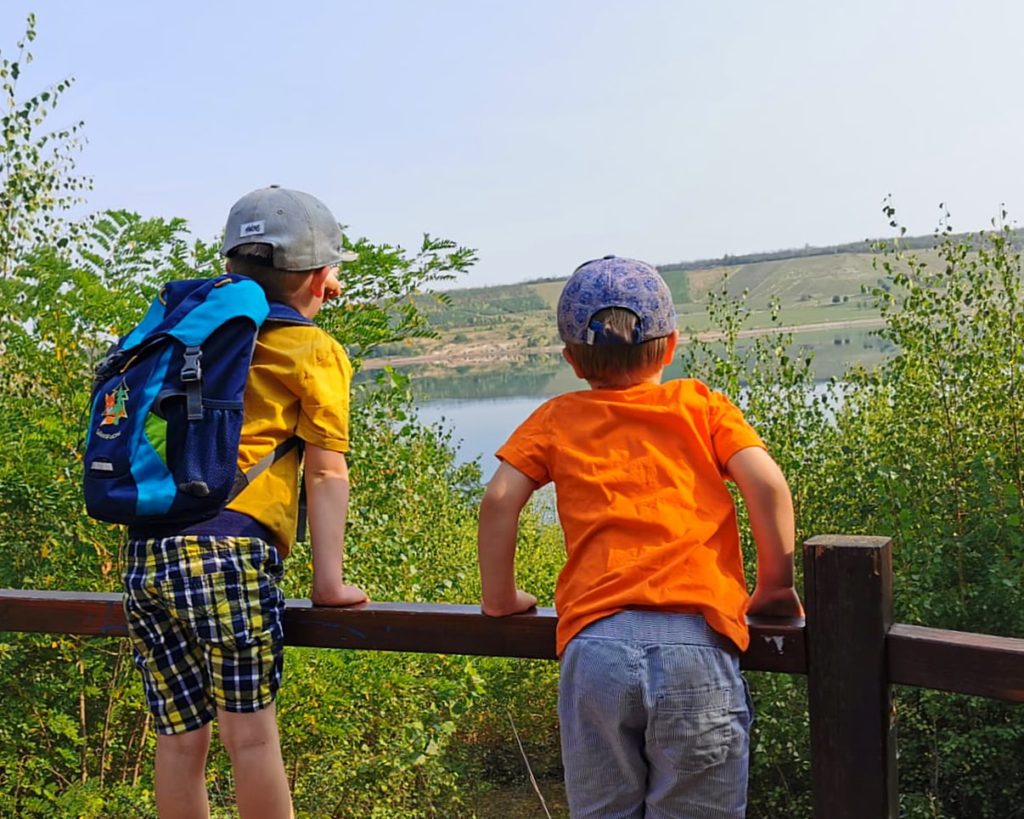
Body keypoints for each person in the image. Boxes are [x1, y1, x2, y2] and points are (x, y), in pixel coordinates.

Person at [477, 255, 803, 818]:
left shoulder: (556, 418)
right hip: (695, 645)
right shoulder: (700, 406)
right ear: (671, 344)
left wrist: (500, 599)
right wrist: (773, 587)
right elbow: (767, 485)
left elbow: (500, 499)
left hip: (593, 649)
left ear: (573, 360)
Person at [121, 186, 368, 819]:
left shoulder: (188, 331)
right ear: (319, 280)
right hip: (228, 556)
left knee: (180, 740)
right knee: (251, 736)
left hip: (148, 553)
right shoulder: (313, 351)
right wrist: (329, 583)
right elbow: (326, 471)